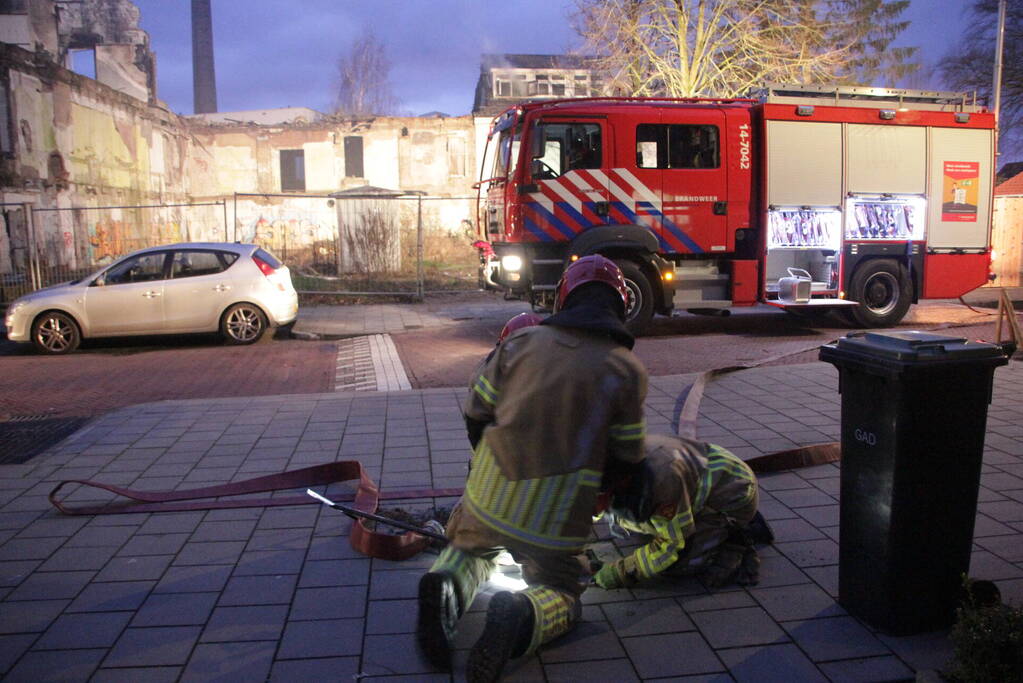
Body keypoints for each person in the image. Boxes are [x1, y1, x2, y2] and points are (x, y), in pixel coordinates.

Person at [417, 255, 648, 682]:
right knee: (563, 590)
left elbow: (476, 411)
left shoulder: (520, 344)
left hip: (486, 497)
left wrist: (489, 467)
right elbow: (628, 456)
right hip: (554, 518)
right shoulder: (627, 370)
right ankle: (525, 612)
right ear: (620, 304)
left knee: (471, 553)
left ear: (564, 298)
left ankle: (445, 587)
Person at [590, 433, 771, 590]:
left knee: (677, 564)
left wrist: (621, 572)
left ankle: (735, 534)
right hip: (695, 480)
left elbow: (672, 544)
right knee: (622, 519)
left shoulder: (660, 484)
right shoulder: (613, 466)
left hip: (733, 494)